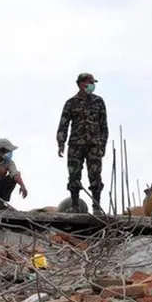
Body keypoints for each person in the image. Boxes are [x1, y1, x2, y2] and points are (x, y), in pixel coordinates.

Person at [57, 73, 109, 214]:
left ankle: (96, 206)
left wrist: (102, 144)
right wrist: (61, 142)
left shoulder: (98, 101)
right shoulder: (71, 103)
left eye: (93, 82)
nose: (93, 85)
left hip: (94, 145)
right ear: (81, 83)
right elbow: (64, 124)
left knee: (95, 176)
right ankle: (75, 205)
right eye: (90, 82)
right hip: (75, 145)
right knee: (74, 176)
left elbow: (104, 126)